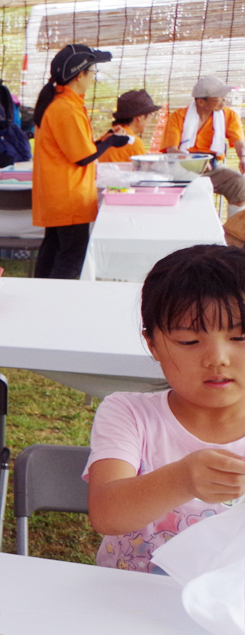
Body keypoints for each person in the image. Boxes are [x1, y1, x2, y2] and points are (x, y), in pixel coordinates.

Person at [85, 245, 245, 573]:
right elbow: (106, 514)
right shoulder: (129, 413)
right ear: (153, 344)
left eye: (241, 337)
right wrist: (182, 479)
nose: (217, 358)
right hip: (129, 594)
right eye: (189, 341)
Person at [31, 44, 129, 279]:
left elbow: (78, 148)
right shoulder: (66, 109)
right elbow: (83, 157)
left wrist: (105, 139)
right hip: (69, 197)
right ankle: (54, 298)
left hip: (58, 195)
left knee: (52, 253)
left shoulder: (62, 104)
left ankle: (39, 295)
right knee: (71, 260)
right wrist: (111, 142)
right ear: (79, 75)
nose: (93, 78)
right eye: (93, 72)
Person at [161, 76, 245, 215]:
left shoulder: (228, 115)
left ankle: (232, 228)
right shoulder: (178, 116)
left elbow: (239, 142)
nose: (223, 102)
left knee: (238, 183)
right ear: (201, 102)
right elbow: (171, 150)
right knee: (190, 194)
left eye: (223, 98)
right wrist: (196, 162)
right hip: (181, 169)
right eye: (218, 99)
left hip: (212, 168)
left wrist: (243, 157)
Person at [98, 89, 160, 163]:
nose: (151, 120)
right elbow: (141, 169)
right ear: (140, 117)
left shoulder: (103, 138)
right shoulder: (134, 143)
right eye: (151, 115)